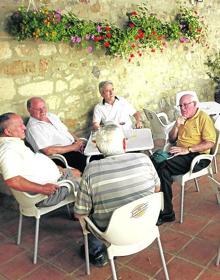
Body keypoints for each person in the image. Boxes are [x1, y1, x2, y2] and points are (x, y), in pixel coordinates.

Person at [74, 123, 160, 267]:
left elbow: (79, 214)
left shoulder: (91, 170)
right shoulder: (144, 159)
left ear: (99, 148)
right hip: (147, 224)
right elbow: (157, 189)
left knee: (89, 216)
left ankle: (97, 252)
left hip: (112, 235)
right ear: (124, 143)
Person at [155, 93, 216, 226]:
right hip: (180, 153)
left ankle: (160, 207)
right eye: (180, 105)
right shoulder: (183, 118)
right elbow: (171, 139)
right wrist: (176, 126)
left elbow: (210, 142)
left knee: (159, 165)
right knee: (161, 169)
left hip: (198, 156)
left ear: (194, 105)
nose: (182, 108)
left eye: (185, 105)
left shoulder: (203, 118)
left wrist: (187, 149)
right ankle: (167, 213)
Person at [0, 112, 81, 207]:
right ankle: (81, 213)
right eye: (20, 126)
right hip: (48, 193)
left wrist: (56, 168)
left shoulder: (13, 143)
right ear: (8, 132)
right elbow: (12, 180)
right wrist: (42, 189)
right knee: (89, 182)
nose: (24, 128)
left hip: (55, 179)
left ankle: (79, 205)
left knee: (77, 172)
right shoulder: (7, 150)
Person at [25, 97, 87, 172]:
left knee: (99, 152)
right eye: (38, 109)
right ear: (29, 110)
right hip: (61, 156)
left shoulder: (51, 116)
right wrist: (73, 147)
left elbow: (66, 131)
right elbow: (48, 151)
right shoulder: (33, 128)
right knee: (90, 164)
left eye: (44, 107)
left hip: (74, 146)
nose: (42, 111)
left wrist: (78, 141)